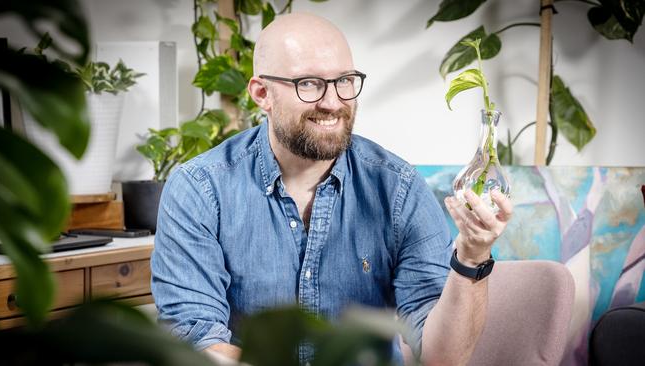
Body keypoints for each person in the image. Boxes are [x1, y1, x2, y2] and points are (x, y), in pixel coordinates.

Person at [151, 12, 512, 365]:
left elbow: (441, 358)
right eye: (308, 83)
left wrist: (470, 257)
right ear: (262, 93)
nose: (333, 102)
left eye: (344, 80)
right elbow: (196, 342)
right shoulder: (200, 189)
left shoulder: (398, 188)